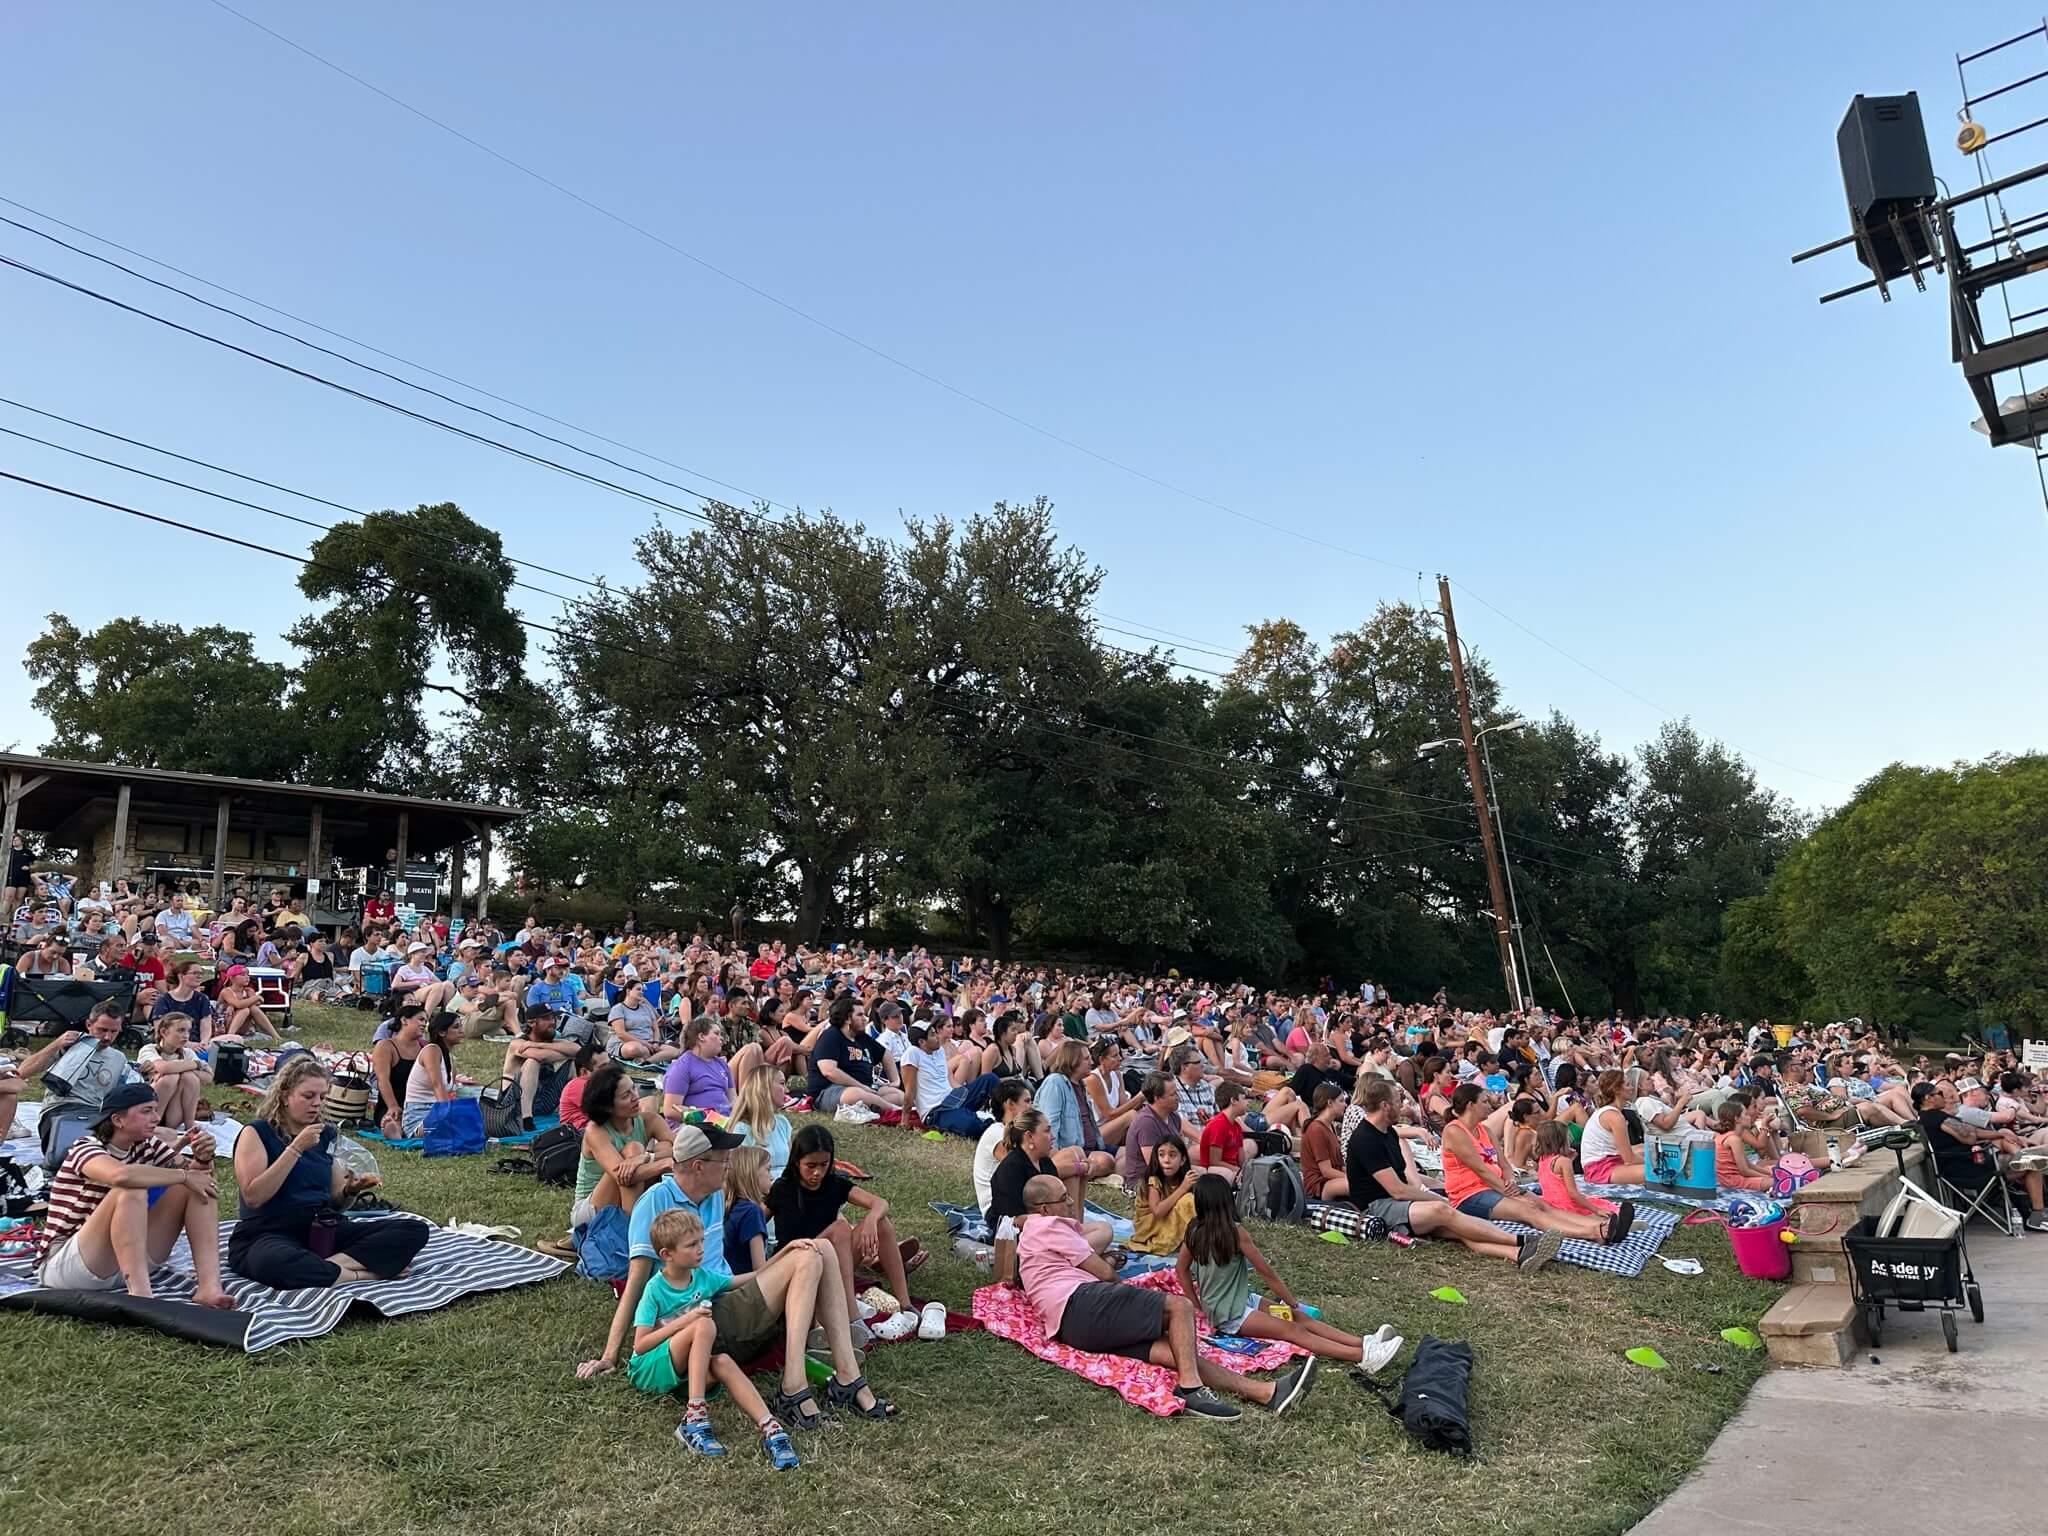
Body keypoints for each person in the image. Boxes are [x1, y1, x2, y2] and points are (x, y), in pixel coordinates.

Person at [580, 1125, 897, 1429]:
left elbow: (721, 1272)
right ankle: (792, 1387)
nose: (729, 1167)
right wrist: (609, 1355)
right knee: (808, 1257)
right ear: (699, 1166)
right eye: (724, 1160)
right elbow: (635, 1282)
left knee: (823, 1248)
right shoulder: (656, 1202)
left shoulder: (714, 1195)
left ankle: (848, 1378)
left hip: (730, 1300)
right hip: (704, 1318)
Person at [1014, 1174, 1312, 1424]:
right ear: (1043, 1209)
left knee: (1176, 1353)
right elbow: (1105, 1274)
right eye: (1063, 1197)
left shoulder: (1032, 1232)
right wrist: (1123, 1284)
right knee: (1177, 1305)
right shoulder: (1050, 1225)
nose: (1069, 1202)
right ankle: (1191, 1389)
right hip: (1081, 1303)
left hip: (1072, 1329)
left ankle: (1267, 1393)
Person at [231, 1057, 431, 1288]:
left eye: (322, 1097)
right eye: (308, 1096)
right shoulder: (257, 1132)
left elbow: (335, 1203)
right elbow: (254, 1197)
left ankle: (320, 1266)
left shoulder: (325, 1134)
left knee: (412, 1230)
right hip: (269, 1231)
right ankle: (363, 1274)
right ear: (285, 1096)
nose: (317, 1103)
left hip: (320, 1227)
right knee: (273, 1262)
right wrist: (296, 1148)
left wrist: (350, 1190)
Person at [1177, 1173, 1403, 1373]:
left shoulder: (1194, 1229)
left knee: (1298, 1319)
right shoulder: (1235, 1233)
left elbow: (1181, 1269)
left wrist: (1196, 1303)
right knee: (1293, 1328)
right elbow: (1267, 1273)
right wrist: (1291, 1302)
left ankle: (1363, 1342)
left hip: (1236, 1302)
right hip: (1231, 1315)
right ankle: (1363, 1357)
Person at [32, 1080, 233, 1306]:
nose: (156, 1118)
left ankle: (209, 1287)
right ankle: (141, 1296)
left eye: (155, 1110)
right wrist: (184, 1176)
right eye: (146, 1111)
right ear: (117, 1120)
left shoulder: (148, 1146)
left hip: (125, 1258)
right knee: (131, 1190)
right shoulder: (85, 1147)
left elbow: (199, 1181)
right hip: (69, 1266)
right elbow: (122, 1176)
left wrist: (202, 1158)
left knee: (198, 1189)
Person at [629, 1207, 799, 1468]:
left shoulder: (703, 1278)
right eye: (691, 1244)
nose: (700, 1249)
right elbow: (640, 1346)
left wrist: (787, 1253)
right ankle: (694, 1418)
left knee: (723, 1362)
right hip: (650, 1368)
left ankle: (771, 1429)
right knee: (704, 1325)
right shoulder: (655, 1288)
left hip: (684, 1375)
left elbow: (752, 1278)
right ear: (667, 1255)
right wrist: (688, 1320)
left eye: (701, 1241)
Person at [1344, 1076, 1563, 1269]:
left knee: (1459, 1228)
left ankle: (1518, 1255)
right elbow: (1397, 1190)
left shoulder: (1388, 1132)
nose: (1402, 1106)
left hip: (1396, 1204)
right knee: (1443, 1211)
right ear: (1384, 1106)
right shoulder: (1366, 1138)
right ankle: (1522, 1241)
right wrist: (1436, 1198)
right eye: (1397, 1102)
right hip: (1376, 1209)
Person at [766, 1123, 918, 1338]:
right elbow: (756, 1220)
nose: (818, 1172)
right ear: (796, 1161)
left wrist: (872, 1220)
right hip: (800, 1264)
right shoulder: (783, 1188)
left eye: (824, 1164)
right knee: (840, 1228)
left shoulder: (834, 1184)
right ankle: (852, 1315)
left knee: (881, 1223)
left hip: (833, 1260)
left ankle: (906, 1305)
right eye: (810, 1166)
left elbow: (880, 1203)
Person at [1441, 1084, 1625, 1243]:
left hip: (1495, 1187)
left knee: (1543, 1204)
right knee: (1528, 1209)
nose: (1490, 1105)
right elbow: (1481, 1170)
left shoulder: (1485, 1130)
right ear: (1471, 1106)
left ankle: (1602, 1224)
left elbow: (1504, 1164)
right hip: (1469, 1195)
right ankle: (1594, 1232)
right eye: (1484, 1102)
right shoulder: (1454, 1132)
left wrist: (1511, 1182)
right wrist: (1509, 1191)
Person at [573, 1063, 677, 1228]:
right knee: (633, 1149)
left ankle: (634, 1228)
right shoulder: (595, 1131)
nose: (635, 1097)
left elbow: (678, 1150)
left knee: (660, 1148)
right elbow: (624, 1176)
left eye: (633, 1089)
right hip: (591, 1210)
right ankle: (631, 1234)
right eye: (625, 1095)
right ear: (607, 1106)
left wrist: (649, 1156)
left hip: (627, 1199)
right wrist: (664, 1163)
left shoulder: (649, 1120)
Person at [1035, 1038, 1119, 1183]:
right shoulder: (1056, 1083)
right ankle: (1086, 1173)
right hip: (1071, 1151)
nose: (1091, 1062)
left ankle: (1100, 1177)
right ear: (1073, 1061)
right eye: (1086, 1059)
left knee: (1128, 1155)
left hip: (1092, 1146)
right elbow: (1049, 1125)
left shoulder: (1080, 1084)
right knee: (1107, 1161)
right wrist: (1056, 1157)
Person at [806, 996, 901, 1114]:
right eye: (860, 1015)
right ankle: (895, 1111)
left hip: (866, 1088)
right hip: (830, 1090)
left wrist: (895, 1081)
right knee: (856, 1095)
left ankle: (881, 1106)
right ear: (847, 1018)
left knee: (898, 1095)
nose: (865, 1019)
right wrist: (861, 1087)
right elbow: (829, 1071)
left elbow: (885, 1054)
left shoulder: (861, 1037)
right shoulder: (831, 1036)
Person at [502, 1005, 580, 1129]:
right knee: (533, 1061)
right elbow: (539, 1056)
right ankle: (526, 1118)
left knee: (574, 1063)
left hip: (543, 1102)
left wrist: (536, 1044)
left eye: (553, 1018)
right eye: (547, 1019)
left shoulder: (547, 1042)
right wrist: (560, 1052)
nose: (552, 1022)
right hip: (513, 1104)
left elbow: (578, 1050)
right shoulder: (517, 1043)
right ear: (532, 1023)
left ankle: (576, 1111)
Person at [137, 1012, 211, 1134]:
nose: (186, 1036)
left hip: (173, 1112)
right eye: (180, 1030)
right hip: (151, 1105)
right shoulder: (149, 1049)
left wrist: (182, 1068)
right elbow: (164, 1068)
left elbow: (208, 1077)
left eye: (188, 1031)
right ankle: (152, 1124)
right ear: (164, 1032)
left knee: (189, 1077)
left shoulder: (187, 1052)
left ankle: (189, 1125)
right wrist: (196, 1064)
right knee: (171, 1077)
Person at [1532, 1120, 1620, 1220]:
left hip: (1552, 1206)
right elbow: (1573, 1193)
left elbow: (1555, 1180)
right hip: (1568, 1207)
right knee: (1608, 1210)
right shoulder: (1564, 1162)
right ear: (1563, 1141)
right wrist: (1596, 1209)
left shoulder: (1542, 1160)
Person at [973, 1077, 1034, 1214]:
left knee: (1073, 1154)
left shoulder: (1019, 1133)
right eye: (1027, 1101)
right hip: (997, 1209)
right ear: (1010, 1104)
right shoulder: (996, 1133)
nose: (1032, 1107)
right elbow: (1023, 1169)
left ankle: (1075, 1221)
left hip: (1015, 1199)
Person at [1131, 1134, 1199, 1255]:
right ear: (1156, 1158)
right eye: (1161, 1155)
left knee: (1191, 1200)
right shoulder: (1154, 1180)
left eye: (1172, 1155)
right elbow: (1157, 1212)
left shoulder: (1183, 1178)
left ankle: (1194, 1239)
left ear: (1182, 1160)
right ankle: (1190, 1241)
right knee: (1187, 1200)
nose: (1166, 1160)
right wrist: (1182, 1188)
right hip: (1150, 1229)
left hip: (1167, 1221)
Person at [400, 1012, 464, 1137]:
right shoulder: (431, 1050)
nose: (461, 1031)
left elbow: (448, 1093)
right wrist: (448, 1116)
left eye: (461, 1026)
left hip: (437, 1110)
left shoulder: (449, 1058)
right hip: (418, 1116)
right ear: (442, 1032)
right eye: (456, 1027)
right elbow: (437, 1085)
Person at [1116, 1072, 1183, 1188]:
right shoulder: (1146, 1123)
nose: (1178, 1097)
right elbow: (1155, 1166)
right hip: (1145, 1183)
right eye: (1173, 1094)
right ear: (1157, 1098)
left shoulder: (1173, 1117)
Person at [729, 1060, 794, 1179]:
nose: (786, 1090)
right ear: (764, 1088)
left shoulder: (782, 1123)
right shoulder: (742, 1129)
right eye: (782, 1083)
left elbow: (791, 1165)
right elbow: (740, 1176)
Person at [1579, 1070, 1646, 1185]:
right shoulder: (1614, 1116)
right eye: (1627, 1084)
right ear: (1617, 1090)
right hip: (1599, 1168)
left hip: (1608, 1161)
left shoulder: (1610, 1112)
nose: (1631, 1088)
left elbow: (1627, 1152)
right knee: (1658, 1171)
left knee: (1645, 1149)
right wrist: (1653, 1162)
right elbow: (1629, 1159)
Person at [661, 1017, 732, 1117]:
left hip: (726, 1123)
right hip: (694, 1127)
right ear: (702, 1036)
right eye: (716, 1033)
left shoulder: (722, 1064)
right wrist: (709, 1117)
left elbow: (734, 1100)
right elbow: (670, 1110)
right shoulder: (683, 1066)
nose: (721, 1038)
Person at [721, 1146, 774, 1279]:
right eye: (768, 1169)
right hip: (745, 1287)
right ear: (752, 1173)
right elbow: (760, 1269)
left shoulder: (730, 1206)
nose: (771, 1176)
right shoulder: (752, 1212)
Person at [609, 979, 679, 1065]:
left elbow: (655, 1028)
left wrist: (656, 1042)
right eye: (638, 989)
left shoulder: (646, 1008)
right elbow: (621, 1034)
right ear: (628, 991)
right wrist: (644, 1043)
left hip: (650, 1042)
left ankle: (646, 1062)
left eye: (642, 990)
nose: (641, 992)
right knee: (635, 1049)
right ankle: (654, 1058)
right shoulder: (618, 1009)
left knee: (676, 1052)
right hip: (625, 1043)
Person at [1195, 1081, 1253, 1184]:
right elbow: (1214, 1161)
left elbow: (1241, 1159)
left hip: (1232, 1169)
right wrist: (1238, 1171)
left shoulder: (1237, 1126)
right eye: (1244, 1098)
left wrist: (1247, 1169)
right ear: (1233, 1100)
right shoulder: (1219, 1125)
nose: (1248, 1102)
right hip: (1216, 1172)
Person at [1299, 1083, 1349, 1201]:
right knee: (1360, 1186)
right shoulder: (1316, 1129)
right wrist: (1352, 1179)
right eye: (1341, 1101)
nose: (1345, 1105)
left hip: (1331, 1180)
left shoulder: (1329, 1125)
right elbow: (1326, 1171)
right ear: (1330, 1103)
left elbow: (1339, 1167)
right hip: (1319, 1186)